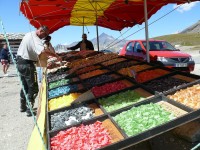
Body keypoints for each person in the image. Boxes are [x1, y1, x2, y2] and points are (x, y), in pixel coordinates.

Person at [16, 25, 60, 117]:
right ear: (41, 31)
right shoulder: (35, 38)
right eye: (45, 34)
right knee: (33, 87)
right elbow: (43, 51)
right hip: (27, 64)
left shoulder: (29, 34)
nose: (44, 37)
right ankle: (29, 109)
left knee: (25, 85)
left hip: (20, 62)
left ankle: (22, 106)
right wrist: (56, 56)